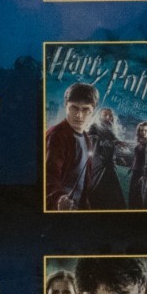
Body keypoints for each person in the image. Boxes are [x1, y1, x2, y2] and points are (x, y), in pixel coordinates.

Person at [45, 81, 98, 210]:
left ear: (93, 111)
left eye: (86, 109)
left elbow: (84, 179)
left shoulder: (87, 139)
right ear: (65, 105)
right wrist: (58, 198)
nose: (79, 115)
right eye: (74, 108)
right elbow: (49, 174)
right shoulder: (57, 135)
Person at [85, 107, 133, 209]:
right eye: (105, 115)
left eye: (110, 115)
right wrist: (115, 143)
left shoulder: (111, 130)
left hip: (110, 164)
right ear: (99, 116)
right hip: (98, 164)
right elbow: (94, 142)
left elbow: (113, 146)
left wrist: (120, 146)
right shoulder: (94, 127)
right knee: (97, 189)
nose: (108, 117)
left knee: (114, 193)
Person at [128, 121, 147, 208]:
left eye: (145, 130)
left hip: (143, 173)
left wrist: (144, 175)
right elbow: (137, 156)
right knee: (132, 196)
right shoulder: (139, 142)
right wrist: (132, 166)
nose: (143, 132)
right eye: (141, 130)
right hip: (135, 172)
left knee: (140, 197)